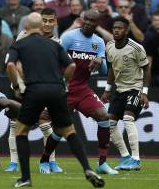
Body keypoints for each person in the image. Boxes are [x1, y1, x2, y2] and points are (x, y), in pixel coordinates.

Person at [5, 12, 104, 188]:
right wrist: (64, 83)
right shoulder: (54, 44)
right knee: (69, 132)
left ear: (26, 28)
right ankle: (88, 169)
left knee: (21, 132)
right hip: (57, 90)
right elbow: (72, 65)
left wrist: (17, 87)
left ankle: (26, 178)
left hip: (34, 90)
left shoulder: (20, 44)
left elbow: (11, 65)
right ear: (41, 26)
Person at [39, 10, 118, 175]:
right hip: (65, 89)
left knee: (104, 117)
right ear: (82, 20)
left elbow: (104, 70)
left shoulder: (99, 42)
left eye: (92, 21)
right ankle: (45, 160)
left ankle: (102, 163)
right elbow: (55, 60)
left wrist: (100, 59)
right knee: (60, 129)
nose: (88, 23)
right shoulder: (68, 37)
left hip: (82, 89)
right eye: (86, 20)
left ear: (97, 24)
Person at [6, 8, 63, 174]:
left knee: (46, 125)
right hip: (21, 88)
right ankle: (13, 162)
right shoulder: (24, 35)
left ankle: (50, 161)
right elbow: (11, 60)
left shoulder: (57, 43)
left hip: (43, 88)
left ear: (55, 22)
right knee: (14, 125)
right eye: (43, 20)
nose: (46, 24)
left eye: (49, 21)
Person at [102, 16, 150, 171]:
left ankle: (136, 159)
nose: (116, 30)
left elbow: (147, 69)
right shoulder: (109, 46)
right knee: (110, 124)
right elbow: (111, 69)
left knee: (128, 119)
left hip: (135, 88)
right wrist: (108, 90)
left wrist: (144, 93)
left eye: (120, 28)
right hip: (119, 89)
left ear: (127, 30)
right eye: (115, 28)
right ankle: (125, 156)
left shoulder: (136, 47)